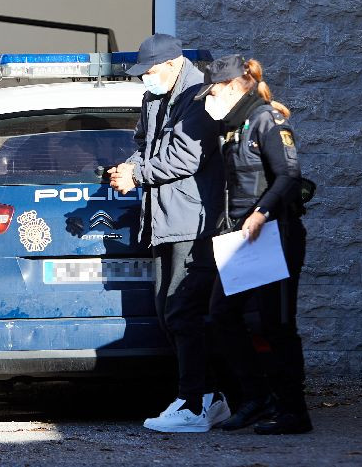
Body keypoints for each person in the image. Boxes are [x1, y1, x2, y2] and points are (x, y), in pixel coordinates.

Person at [108, 33, 228, 433]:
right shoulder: (155, 97)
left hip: (191, 222)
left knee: (183, 311)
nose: (146, 78)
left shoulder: (198, 97)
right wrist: (128, 167)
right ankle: (207, 397)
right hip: (164, 220)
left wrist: (137, 174)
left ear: (174, 64)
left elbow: (186, 157)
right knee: (169, 311)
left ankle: (195, 403)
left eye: (151, 70)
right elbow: (144, 143)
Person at [197, 54, 312, 435]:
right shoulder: (234, 126)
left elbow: (289, 175)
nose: (210, 98)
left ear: (233, 86)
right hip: (242, 238)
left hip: (274, 235)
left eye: (213, 91)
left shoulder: (267, 119)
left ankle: (293, 411)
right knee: (222, 315)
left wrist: (261, 213)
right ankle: (257, 398)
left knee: (276, 324)